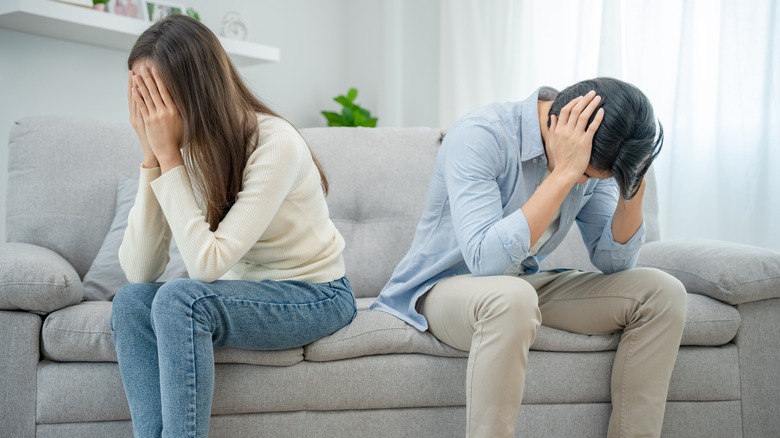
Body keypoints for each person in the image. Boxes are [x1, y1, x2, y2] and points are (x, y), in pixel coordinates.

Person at [371, 77, 687, 438]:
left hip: (518, 284)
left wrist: (632, 186)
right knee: (513, 297)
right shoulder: (481, 135)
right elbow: (484, 261)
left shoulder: (594, 158)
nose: (583, 184)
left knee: (663, 292)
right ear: (559, 126)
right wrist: (565, 173)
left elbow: (614, 263)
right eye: (584, 175)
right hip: (440, 287)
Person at [110, 15, 357, 438]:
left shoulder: (275, 142)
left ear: (195, 91)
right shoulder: (186, 148)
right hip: (249, 292)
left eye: (158, 98)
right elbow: (140, 270)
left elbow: (208, 265)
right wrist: (150, 155)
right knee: (131, 302)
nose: (152, 114)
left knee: (180, 299)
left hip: (315, 294)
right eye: (142, 99)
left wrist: (167, 155)